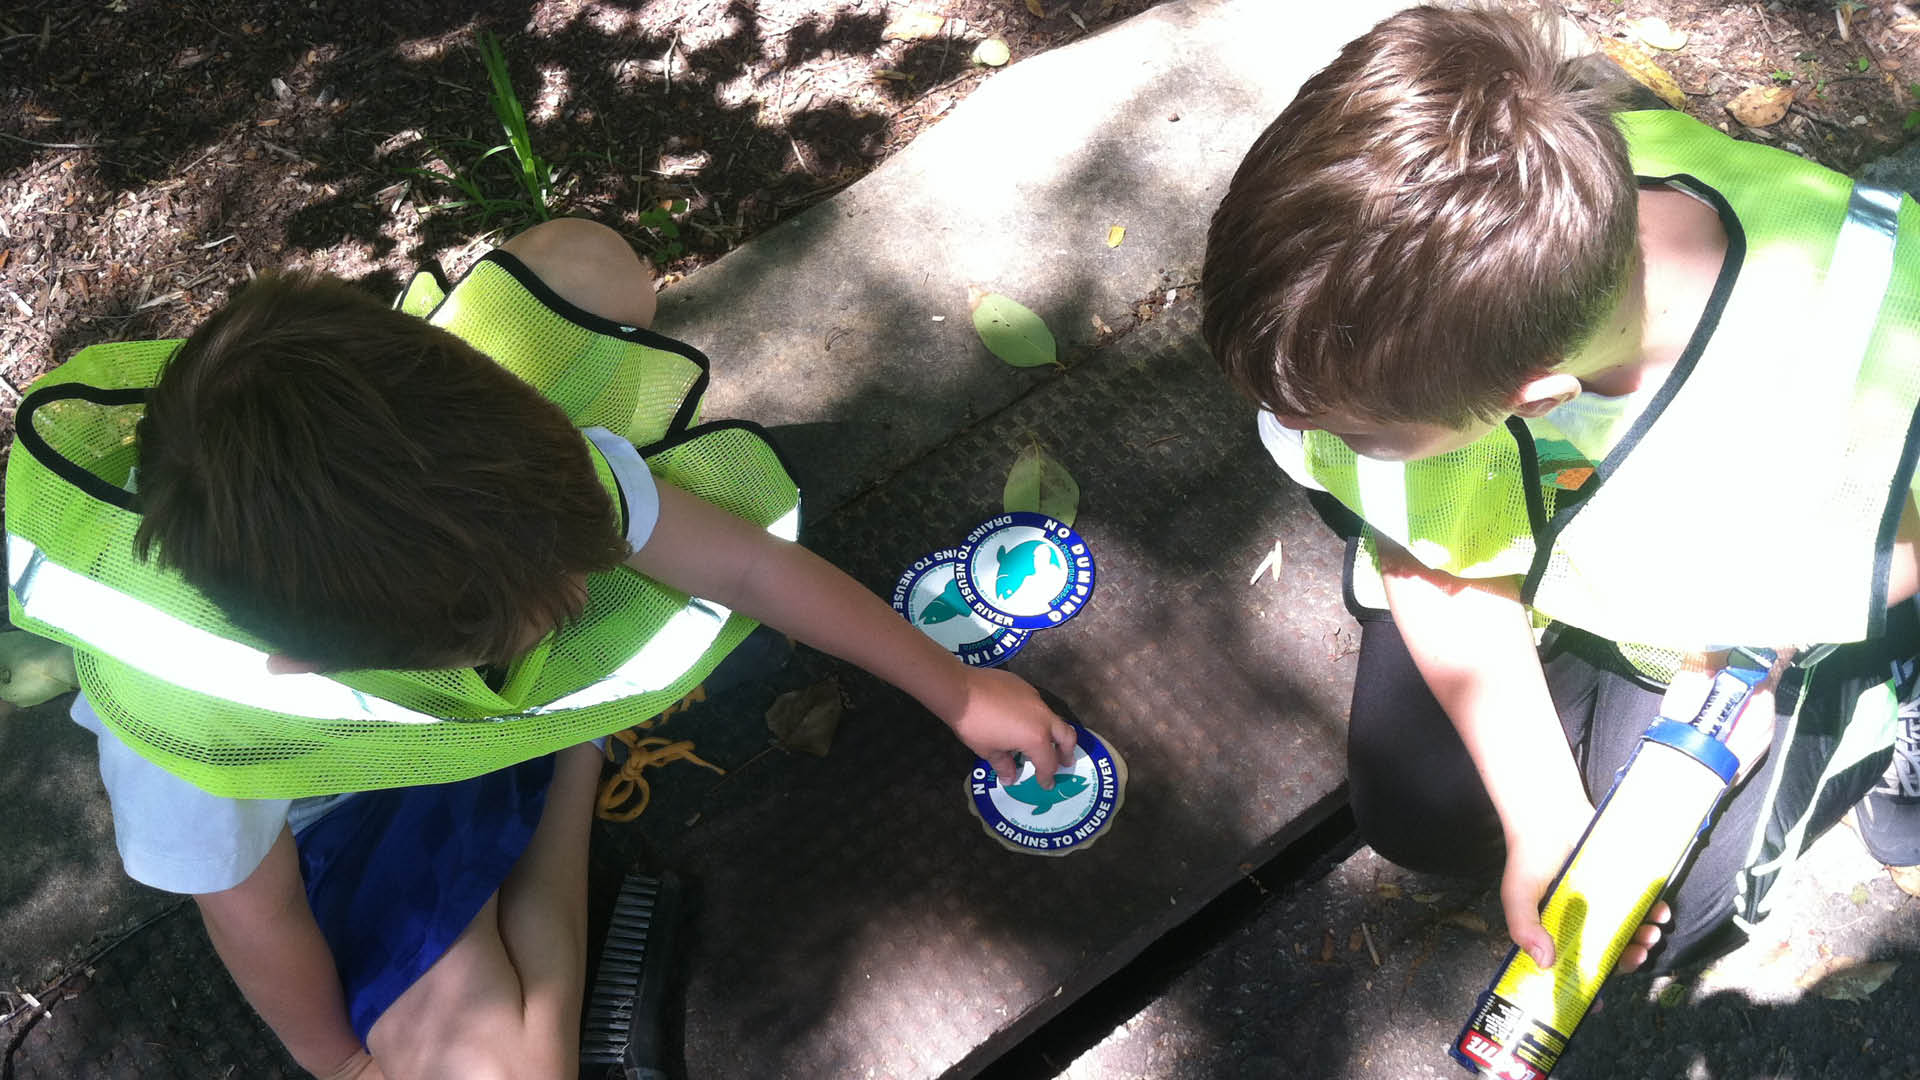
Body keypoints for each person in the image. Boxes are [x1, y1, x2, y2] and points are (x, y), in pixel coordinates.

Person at [7, 217, 1077, 1080]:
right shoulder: (194, 741)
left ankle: (560, 740)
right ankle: (568, 754)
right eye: (536, 609)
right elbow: (259, 912)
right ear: (320, 663)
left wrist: (955, 689)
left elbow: (747, 567)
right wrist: (340, 1064)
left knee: (589, 268)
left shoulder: (520, 486)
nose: (577, 600)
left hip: (450, 675)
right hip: (346, 800)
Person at [1202, 5, 1920, 979]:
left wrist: (1758, 650)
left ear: (1531, 400)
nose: (1304, 440)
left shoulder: (1868, 338)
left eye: (1351, 433)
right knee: (1420, 811)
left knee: (1672, 913)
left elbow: (1897, 545)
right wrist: (1542, 809)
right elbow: (1427, 546)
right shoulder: (1518, 194)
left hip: (1744, 600)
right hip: (1590, 548)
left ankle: (1877, 693)